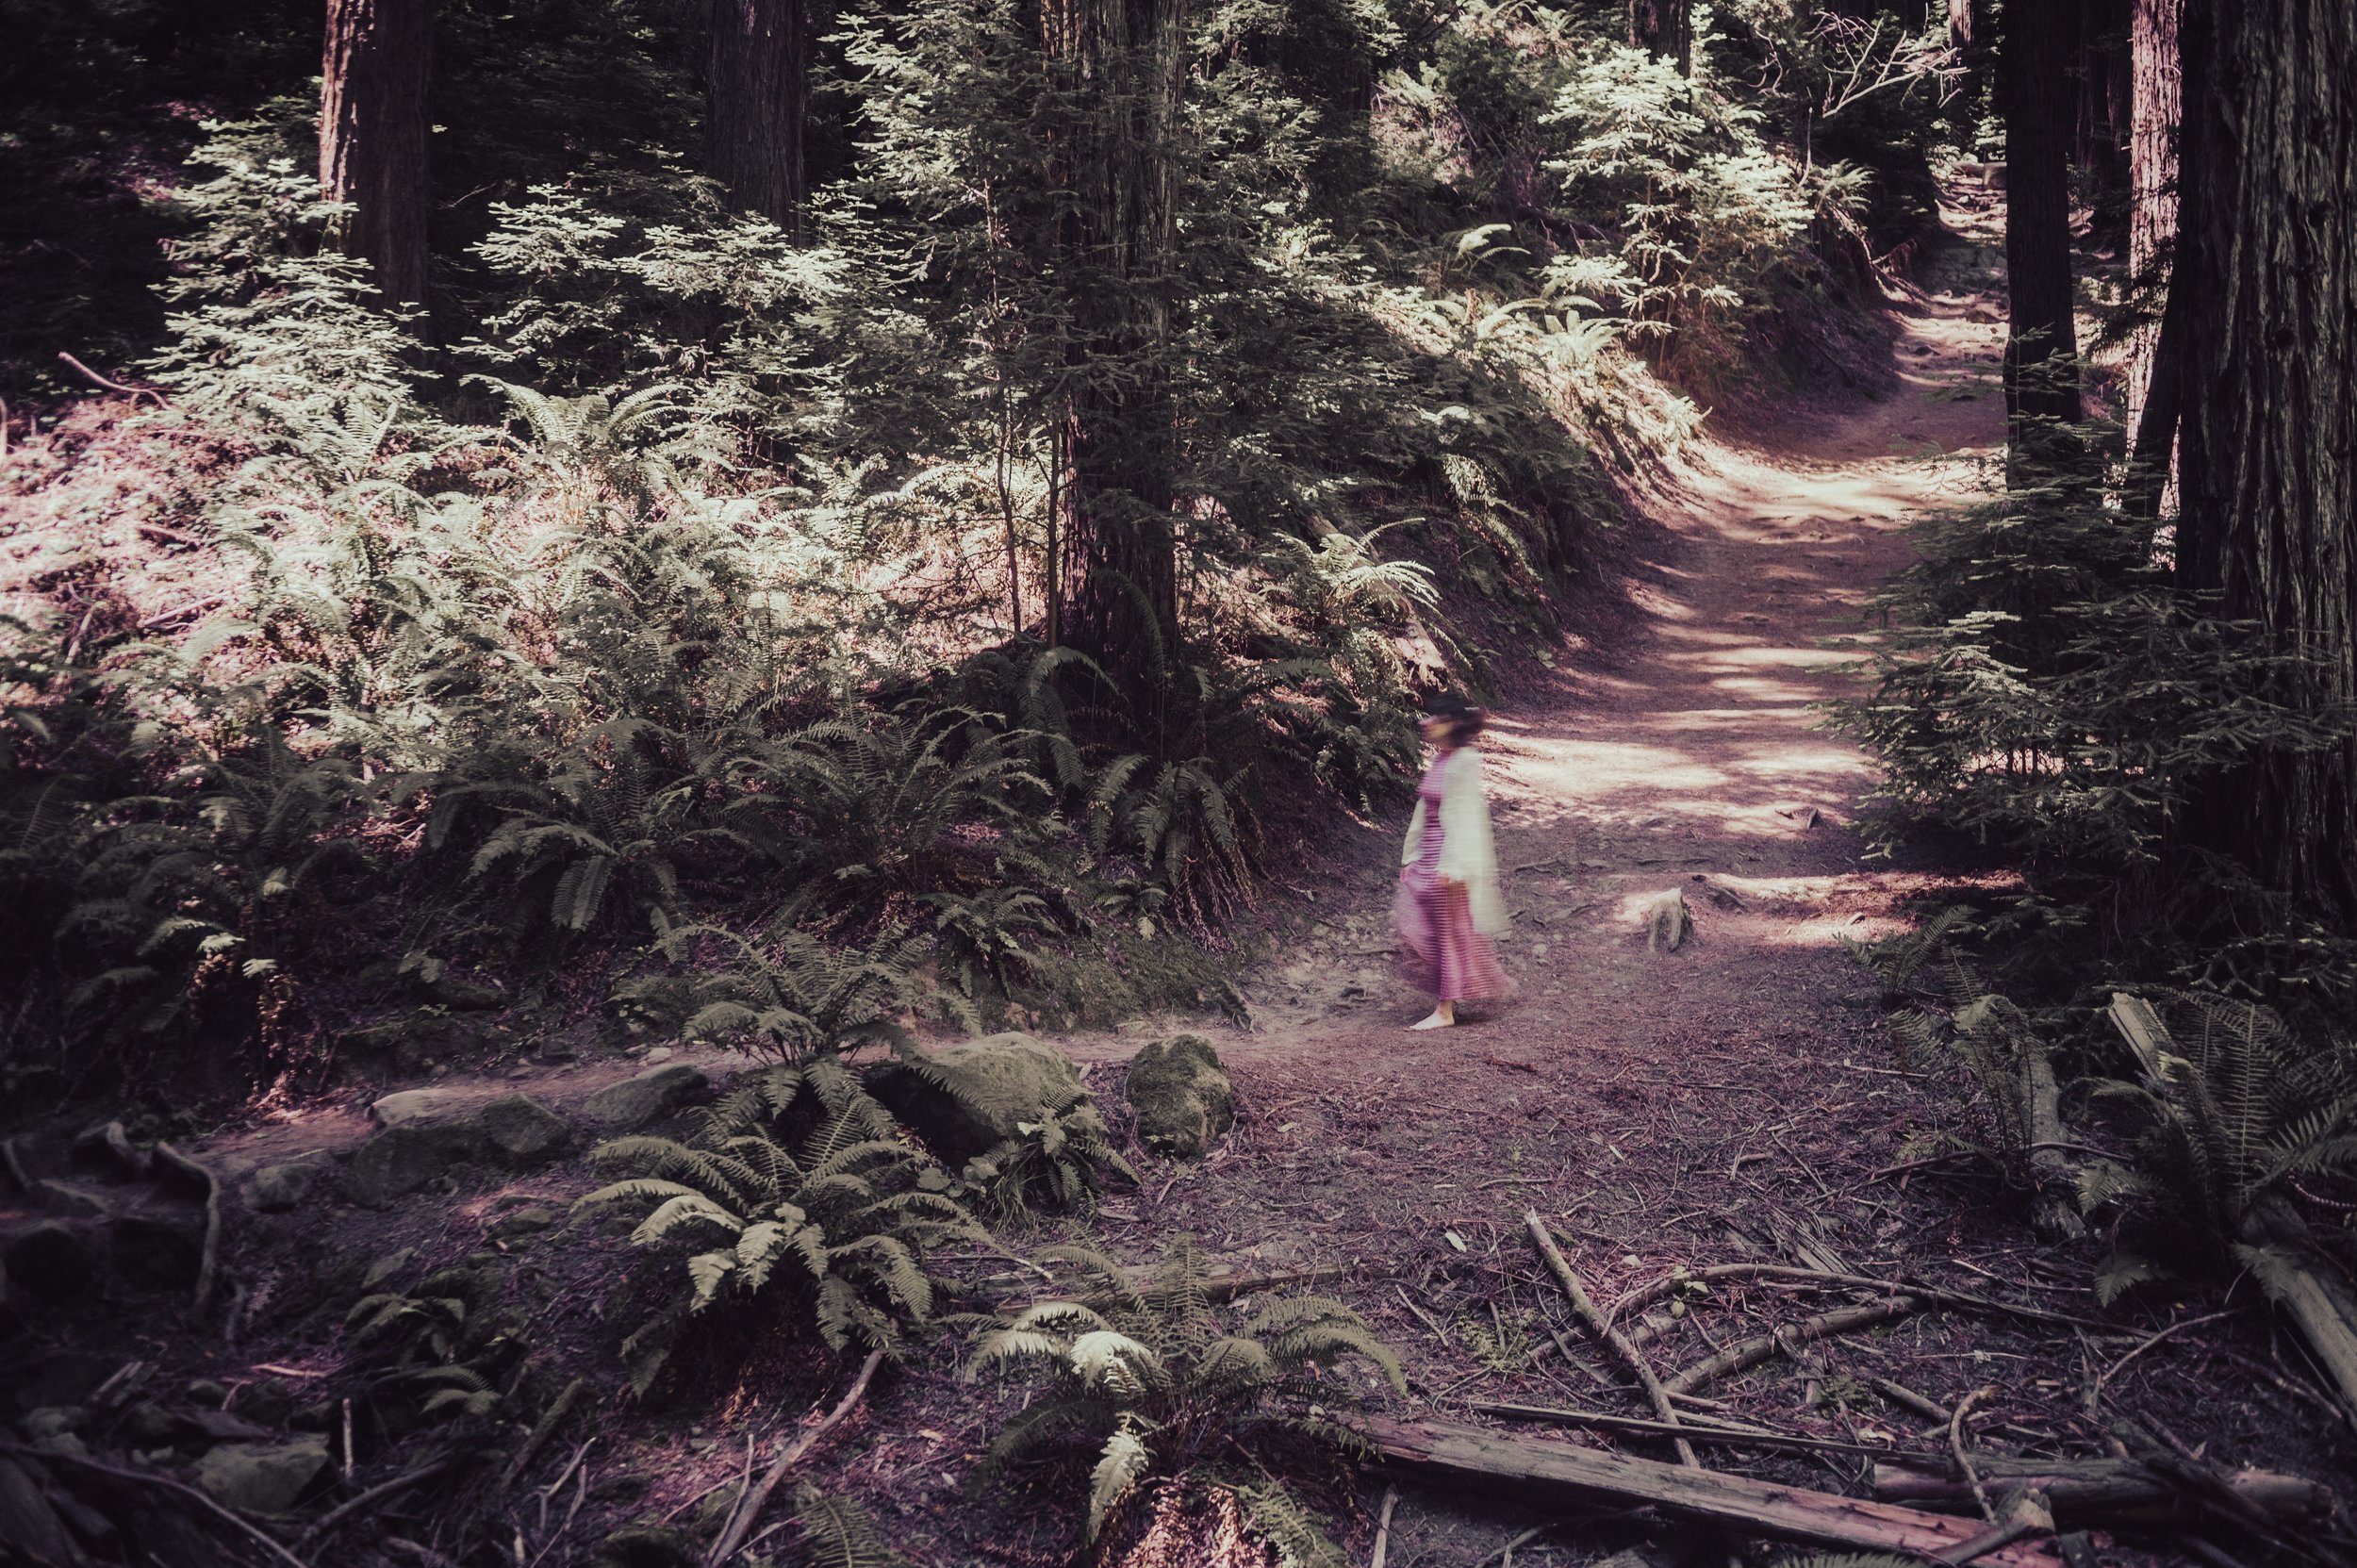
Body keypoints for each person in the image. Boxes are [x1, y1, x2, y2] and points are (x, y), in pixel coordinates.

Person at [1394, 695, 1508, 1030]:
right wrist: (1411, 856)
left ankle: (1444, 1011)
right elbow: (1425, 811)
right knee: (1420, 927)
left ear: (1453, 724)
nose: (1426, 723)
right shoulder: (1441, 759)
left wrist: (1456, 867)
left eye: (1435, 718)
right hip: (1429, 856)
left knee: (1448, 933)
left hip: (1448, 859)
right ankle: (1464, 990)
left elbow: (1465, 816)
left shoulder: (1463, 762)